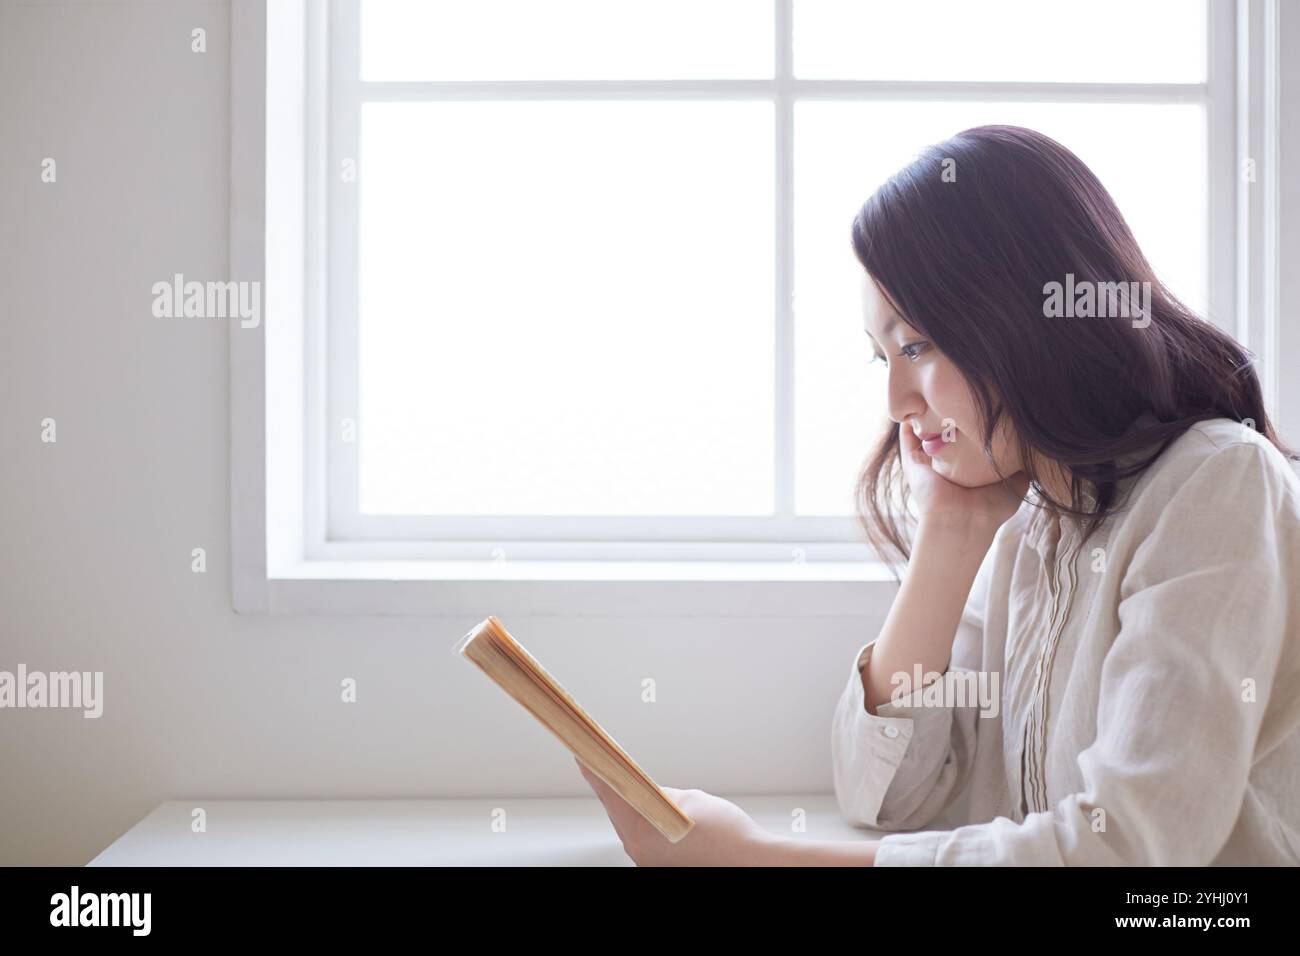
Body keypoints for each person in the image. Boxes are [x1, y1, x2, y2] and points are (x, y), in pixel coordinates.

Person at [579, 125, 1300, 865]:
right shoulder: (1033, 524)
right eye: (880, 356)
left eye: (916, 346)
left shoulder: (1217, 485)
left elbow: (1129, 849)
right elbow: (885, 796)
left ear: (1022, 323)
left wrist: (760, 861)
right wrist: (948, 540)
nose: (895, 400)